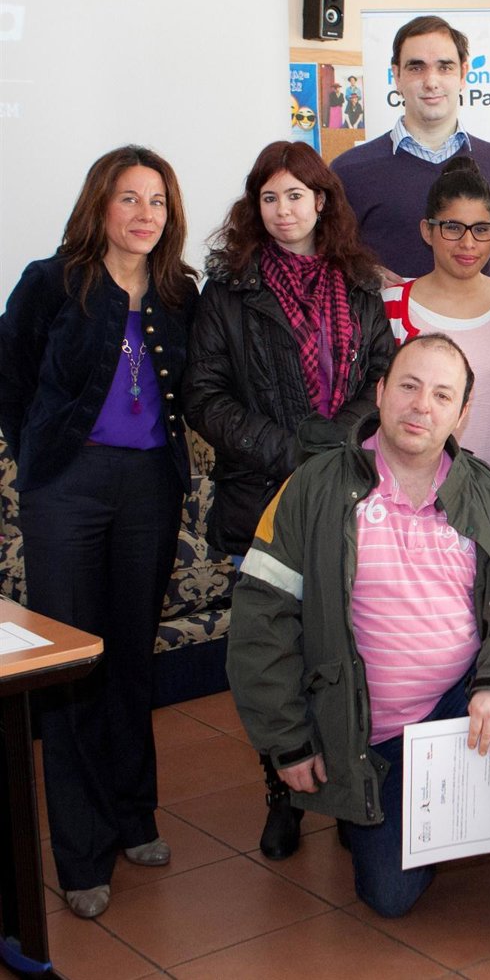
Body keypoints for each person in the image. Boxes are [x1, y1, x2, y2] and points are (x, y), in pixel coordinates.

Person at [226, 334, 490, 974]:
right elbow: (260, 620)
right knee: (389, 897)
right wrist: (288, 740)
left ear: (462, 414)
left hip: (473, 690)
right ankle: (382, 806)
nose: (421, 406)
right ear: (381, 393)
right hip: (377, 733)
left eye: (443, 395)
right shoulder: (311, 489)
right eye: (409, 386)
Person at [0, 146, 199, 919]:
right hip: (68, 490)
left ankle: (133, 815)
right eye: (130, 198)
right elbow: (11, 380)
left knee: (129, 659)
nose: (145, 214)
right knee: (73, 666)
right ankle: (81, 852)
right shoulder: (50, 282)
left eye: (158, 201)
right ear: (99, 205)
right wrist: (42, 458)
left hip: (150, 487)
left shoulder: (178, 292)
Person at [183, 140, 394, 861]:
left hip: (350, 491)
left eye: (295, 196)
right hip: (263, 495)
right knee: (277, 650)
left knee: (349, 645)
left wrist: (339, 438)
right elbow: (203, 397)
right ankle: (284, 790)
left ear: (322, 201)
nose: (282, 211)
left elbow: (383, 376)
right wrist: (291, 450)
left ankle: (348, 783)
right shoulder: (229, 289)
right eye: (268, 198)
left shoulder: (359, 282)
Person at [332, 15, 490, 286]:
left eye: (444, 67)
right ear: (397, 76)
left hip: (479, 316)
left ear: (463, 74)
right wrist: (361, 276)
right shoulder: (348, 171)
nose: (431, 81)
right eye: (416, 67)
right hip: (384, 316)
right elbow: (327, 262)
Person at [383, 156, 490, 492]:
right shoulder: (390, 305)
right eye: (452, 227)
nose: (468, 243)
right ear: (427, 230)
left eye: (481, 229)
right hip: (413, 496)